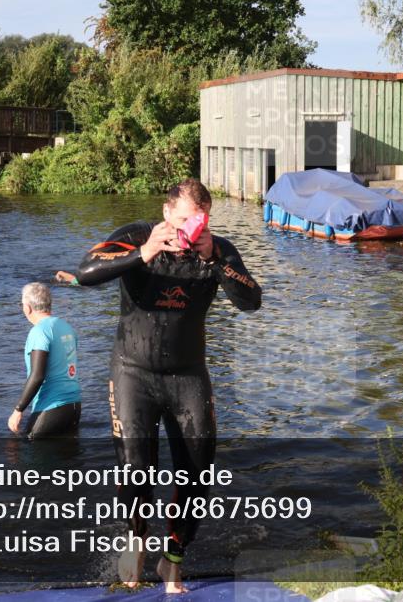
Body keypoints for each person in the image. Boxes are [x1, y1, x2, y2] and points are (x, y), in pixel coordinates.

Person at [75, 177, 262, 593]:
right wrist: (144, 254)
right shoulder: (136, 237)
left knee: (197, 473)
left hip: (188, 374)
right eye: (181, 222)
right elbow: (86, 272)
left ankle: (172, 559)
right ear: (165, 213)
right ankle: (136, 538)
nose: (187, 233)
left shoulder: (217, 250)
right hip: (132, 373)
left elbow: (252, 300)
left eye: (198, 223)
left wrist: (215, 260)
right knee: (137, 470)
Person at [7, 283, 81, 439]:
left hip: (51, 407)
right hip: (74, 407)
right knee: (67, 459)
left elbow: (37, 375)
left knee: (30, 455)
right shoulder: (67, 327)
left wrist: (18, 410)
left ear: (27, 307)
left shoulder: (39, 332)